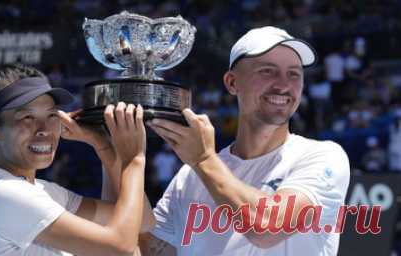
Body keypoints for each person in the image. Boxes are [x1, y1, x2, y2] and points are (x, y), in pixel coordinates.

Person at [141, 26, 350, 256]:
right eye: (267, 71)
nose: (283, 84)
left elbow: (268, 228)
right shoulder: (190, 176)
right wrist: (121, 159)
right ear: (232, 82)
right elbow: (145, 251)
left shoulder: (322, 156)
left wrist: (203, 159)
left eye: (294, 74)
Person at [0, 64, 155, 256]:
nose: (44, 129)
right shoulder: (2, 193)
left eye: (51, 115)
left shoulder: (46, 192)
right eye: (27, 117)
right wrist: (133, 160)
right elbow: (120, 246)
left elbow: (141, 221)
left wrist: (104, 146)